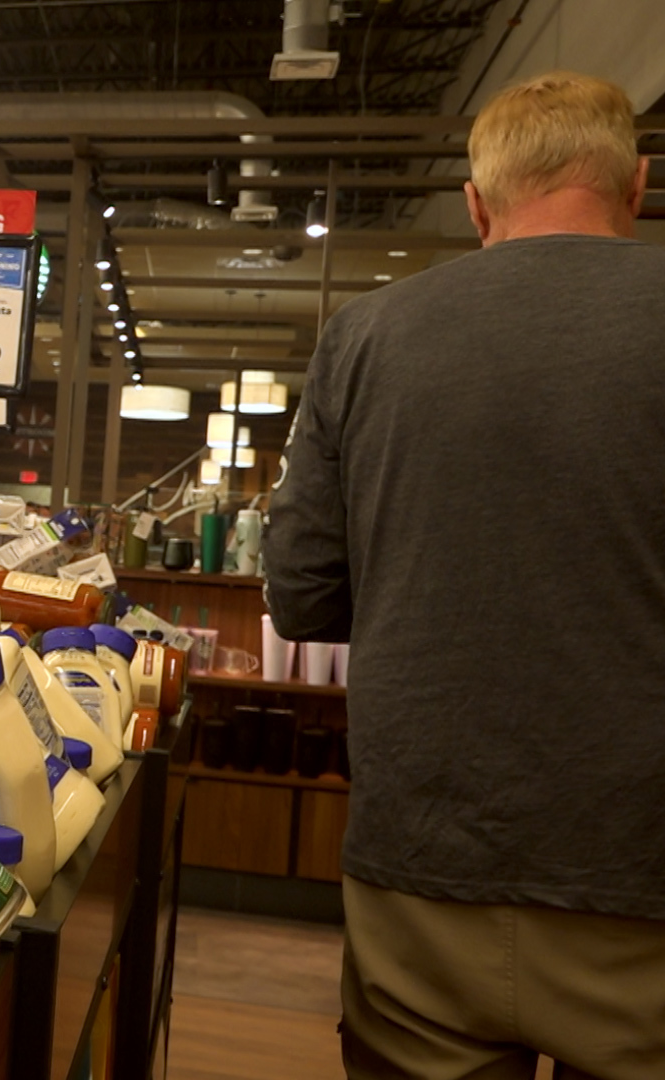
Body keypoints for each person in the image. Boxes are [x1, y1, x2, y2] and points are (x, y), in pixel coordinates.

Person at [264, 72, 665, 1080]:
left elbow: (302, 593)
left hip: (424, 863)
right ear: (639, 185)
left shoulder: (364, 337)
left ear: (478, 204)